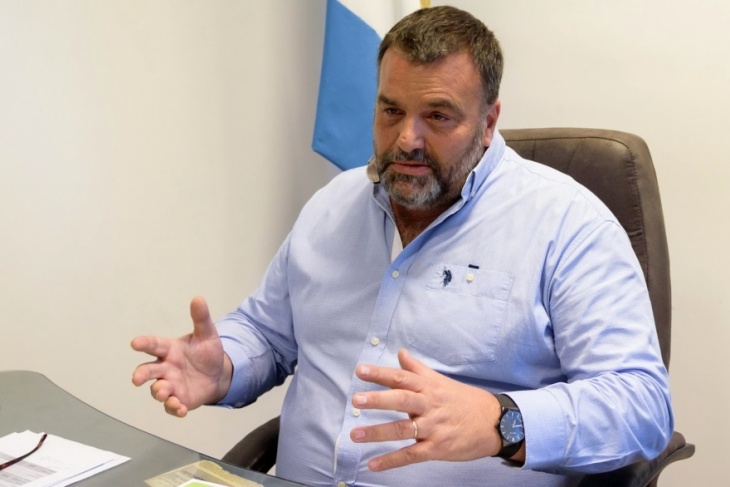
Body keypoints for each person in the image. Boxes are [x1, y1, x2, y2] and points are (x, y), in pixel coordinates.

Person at [131, 6, 673, 487]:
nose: (407, 139)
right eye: (391, 111)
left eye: (437, 116)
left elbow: (642, 407)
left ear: (488, 123)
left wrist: (500, 421)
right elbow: (270, 335)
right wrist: (224, 365)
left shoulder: (568, 225)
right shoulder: (333, 204)